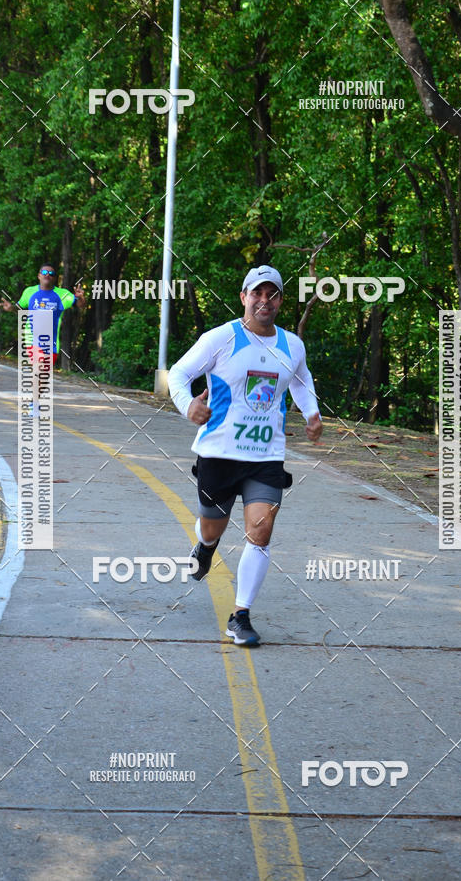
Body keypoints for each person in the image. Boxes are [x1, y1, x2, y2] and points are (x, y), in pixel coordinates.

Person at [168, 265, 323, 646]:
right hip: (219, 453)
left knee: (261, 531)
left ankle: (240, 615)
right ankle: (205, 548)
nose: (264, 301)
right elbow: (178, 373)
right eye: (257, 293)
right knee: (211, 528)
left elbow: (302, 382)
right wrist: (189, 407)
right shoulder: (221, 338)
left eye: (272, 295)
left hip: (265, 456)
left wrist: (312, 412)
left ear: (281, 301)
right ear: (243, 297)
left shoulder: (291, 345)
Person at [1, 263, 86, 363]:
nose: (47, 275)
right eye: (44, 272)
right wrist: (11, 308)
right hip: (32, 339)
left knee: (42, 375)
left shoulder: (63, 294)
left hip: (51, 343)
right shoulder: (29, 291)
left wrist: (81, 297)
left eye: (51, 273)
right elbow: (19, 308)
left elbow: (81, 305)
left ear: (55, 278)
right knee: (38, 369)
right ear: (39, 276)